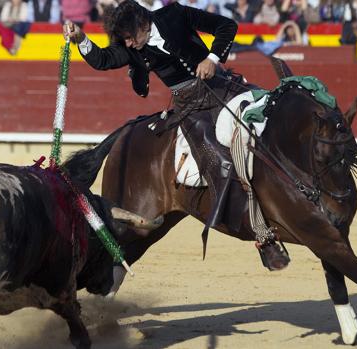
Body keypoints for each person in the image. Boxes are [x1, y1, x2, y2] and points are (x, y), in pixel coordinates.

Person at [64, 0, 290, 270]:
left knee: (270, 121)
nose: (126, 44)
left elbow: (226, 26)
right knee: (217, 160)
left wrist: (212, 58)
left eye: (127, 37)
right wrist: (81, 38)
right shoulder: (133, 47)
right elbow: (103, 60)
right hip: (192, 109)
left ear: (141, 24)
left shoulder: (175, 14)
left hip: (225, 87)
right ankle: (263, 237)